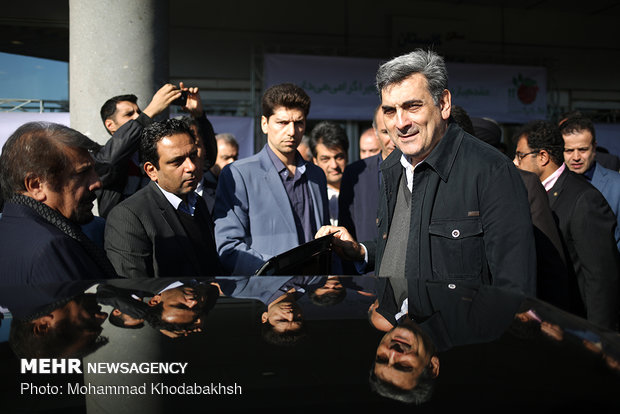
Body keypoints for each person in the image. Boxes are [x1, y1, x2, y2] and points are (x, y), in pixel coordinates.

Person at [318, 49, 536, 296]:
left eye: (413, 106)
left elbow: (515, 290)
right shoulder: (392, 168)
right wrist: (361, 251)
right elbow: (411, 248)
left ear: (443, 104)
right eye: (390, 110)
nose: (400, 123)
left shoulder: (492, 171)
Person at [513, 120, 620, 329]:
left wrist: (598, 338)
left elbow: (601, 279)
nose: (515, 163)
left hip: (576, 325)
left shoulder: (584, 199)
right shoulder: (531, 195)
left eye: (520, 155)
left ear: (542, 157)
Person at [214, 83, 330, 275]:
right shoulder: (238, 174)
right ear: (264, 124)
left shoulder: (317, 175)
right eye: (282, 123)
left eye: (299, 123)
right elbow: (228, 247)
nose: (292, 131)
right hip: (265, 294)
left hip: (313, 292)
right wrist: (273, 275)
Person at [0, 122, 118, 285]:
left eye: (93, 170)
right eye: (82, 173)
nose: (97, 183)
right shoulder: (52, 247)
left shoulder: (12, 226)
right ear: (36, 185)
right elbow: (73, 310)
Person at [104, 118, 221, 278]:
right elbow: (133, 287)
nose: (191, 167)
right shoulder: (129, 216)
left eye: (193, 155)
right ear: (151, 170)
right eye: (177, 161)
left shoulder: (198, 202)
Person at [96, 82, 207, 218]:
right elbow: (108, 161)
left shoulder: (149, 151)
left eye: (139, 112)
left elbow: (204, 162)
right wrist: (150, 112)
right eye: (129, 114)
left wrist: (199, 117)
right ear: (110, 125)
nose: (137, 117)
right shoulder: (102, 155)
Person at [560, 114, 620, 250]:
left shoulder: (616, 185)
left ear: (594, 148)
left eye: (582, 150)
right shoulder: (550, 184)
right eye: (569, 151)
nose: (576, 157)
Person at [338, 105, 396, 243]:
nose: (393, 140)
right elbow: (346, 229)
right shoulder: (355, 174)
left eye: (397, 131)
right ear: (375, 131)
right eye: (385, 132)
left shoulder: (421, 169)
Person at [309, 121, 349, 226]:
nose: (334, 165)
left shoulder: (361, 190)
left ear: (347, 156)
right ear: (315, 160)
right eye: (325, 159)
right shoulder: (310, 195)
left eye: (339, 157)